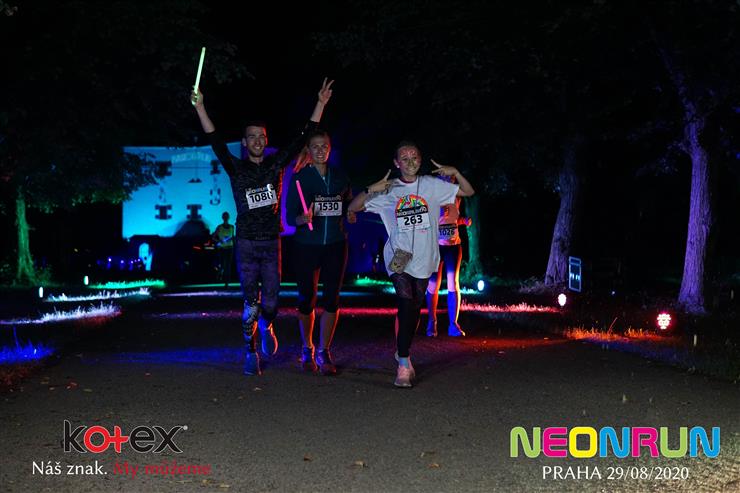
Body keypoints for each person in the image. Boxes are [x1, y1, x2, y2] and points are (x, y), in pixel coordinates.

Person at [191, 78, 333, 375]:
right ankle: (250, 352)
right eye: (251, 137)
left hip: (271, 243)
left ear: (266, 141)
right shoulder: (235, 168)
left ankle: (267, 326)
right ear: (244, 143)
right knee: (250, 302)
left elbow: (302, 136)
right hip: (245, 243)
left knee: (270, 303)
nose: (257, 141)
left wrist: (320, 103)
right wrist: (200, 107)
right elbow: (215, 141)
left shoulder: (275, 165)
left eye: (261, 137)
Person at [347, 142, 475, 387]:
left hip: (425, 256)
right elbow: (353, 207)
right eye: (404, 158)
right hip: (399, 255)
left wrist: (455, 172)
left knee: (414, 307)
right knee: (405, 302)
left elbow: (468, 192)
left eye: (414, 157)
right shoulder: (390, 189)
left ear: (420, 159)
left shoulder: (431, 185)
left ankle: (402, 349)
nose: (409, 162)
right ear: (396, 163)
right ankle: (404, 364)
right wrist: (370, 189)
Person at [285, 130, 355, 375]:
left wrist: (350, 213)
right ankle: (307, 348)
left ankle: (324, 351)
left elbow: (349, 205)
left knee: (332, 298)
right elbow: (289, 218)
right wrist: (302, 219)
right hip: (306, 245)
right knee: (307, 299)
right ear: (308, 149)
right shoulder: (299, 178)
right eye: (315, 146)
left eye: (324, 146)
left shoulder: (340, 177)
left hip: (336, 244)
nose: (320, 150)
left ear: (330, 148)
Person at [425, 179, 472, 337]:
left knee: (454, 283)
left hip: (453, 246)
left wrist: (463, 221)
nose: (448, 180)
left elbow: (454, 220)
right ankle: (432, 322)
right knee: (433, 284)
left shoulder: (457, 197)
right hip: (435, 247)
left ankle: (453, 325)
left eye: (451, 178)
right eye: (444, 177)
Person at [212, 211, 235, 287]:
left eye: (226, 216)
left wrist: (232, 240)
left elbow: (233, 237)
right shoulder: (219, 227)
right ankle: (220, 274)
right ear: (222, 218)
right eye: (224, 216)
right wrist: (219, 241)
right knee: (222, 265)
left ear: (228, 217)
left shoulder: (232, 227)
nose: (225, 218)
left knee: (228, 265)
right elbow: (213, 237)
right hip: (222, 248)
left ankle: (226, 281)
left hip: (230, 248)